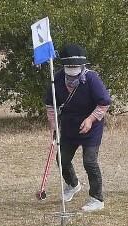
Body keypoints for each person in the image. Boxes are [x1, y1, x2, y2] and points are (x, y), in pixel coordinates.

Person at [45, 44, 111, 212]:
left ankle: (97, 198)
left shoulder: (91, 78)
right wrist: (53, 126)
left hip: (92, 125)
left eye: (76, 67)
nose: (73, 70)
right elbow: (51, 105)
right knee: (63, 159)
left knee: (89, 161)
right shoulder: (57, 79)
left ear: (82, 65)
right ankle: (73, 184)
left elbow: (104, 103)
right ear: (64, 66)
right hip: (69, 125)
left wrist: (90, 119)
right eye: (69, 67)